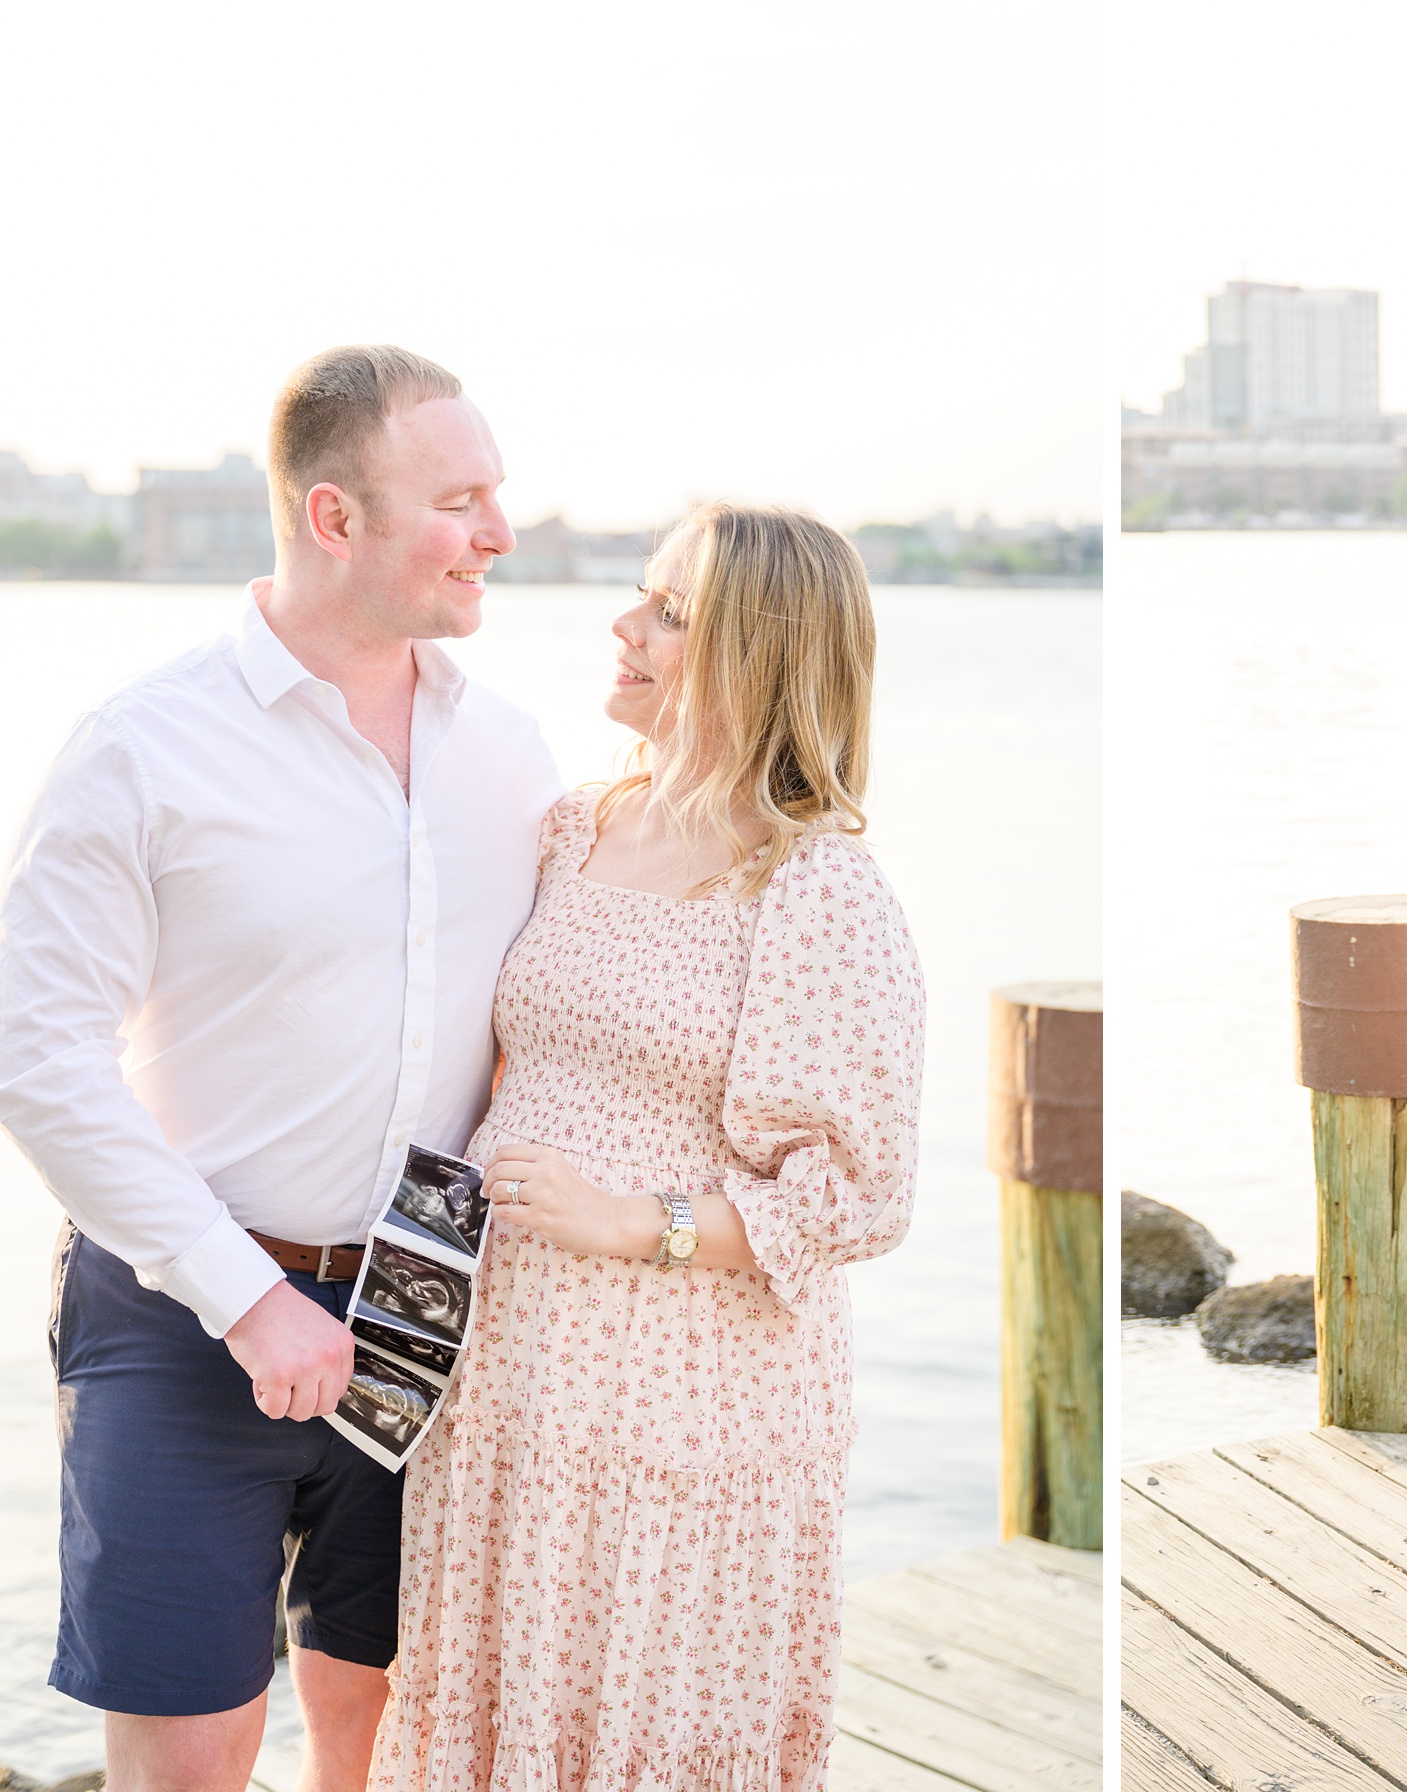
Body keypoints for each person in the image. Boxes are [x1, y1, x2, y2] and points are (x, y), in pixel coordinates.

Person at [0, 347, 561, 1792]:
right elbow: (37, 1062)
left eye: (497, 494)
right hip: (184, 1313)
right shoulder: (143, 747)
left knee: (376, 1733)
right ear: (334, 517)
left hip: (430, 1312)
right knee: (190, 1747)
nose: (499, 531)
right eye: (460, 499)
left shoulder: (512, 754)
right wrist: (247, 1302)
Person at [373, 502, 926, 1792]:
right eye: (641, 596)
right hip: (509, 1380)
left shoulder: (815, 889)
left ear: (761, 652)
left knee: (646, 1720)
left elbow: (861, 1194)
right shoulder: (577, 827)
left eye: (669, 612)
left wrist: (636, 1219)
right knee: (490, 1702)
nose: (624, 626)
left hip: (688, 1408)